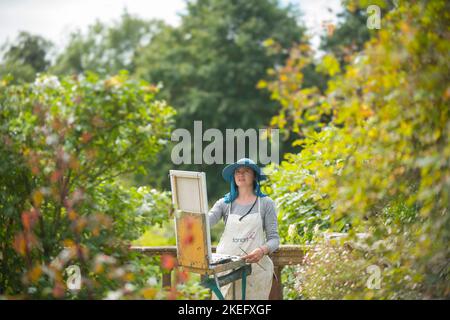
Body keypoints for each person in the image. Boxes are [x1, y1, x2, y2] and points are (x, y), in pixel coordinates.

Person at [208, 158, 280, 300]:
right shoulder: (224, 203)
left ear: (254, 176)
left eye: (246, 171)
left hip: (256, 271)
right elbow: (204, 224)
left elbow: (274, 240)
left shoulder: (266, 203)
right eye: (237, 172)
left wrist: (261, 251)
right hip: (226, 270)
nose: (240, 175)